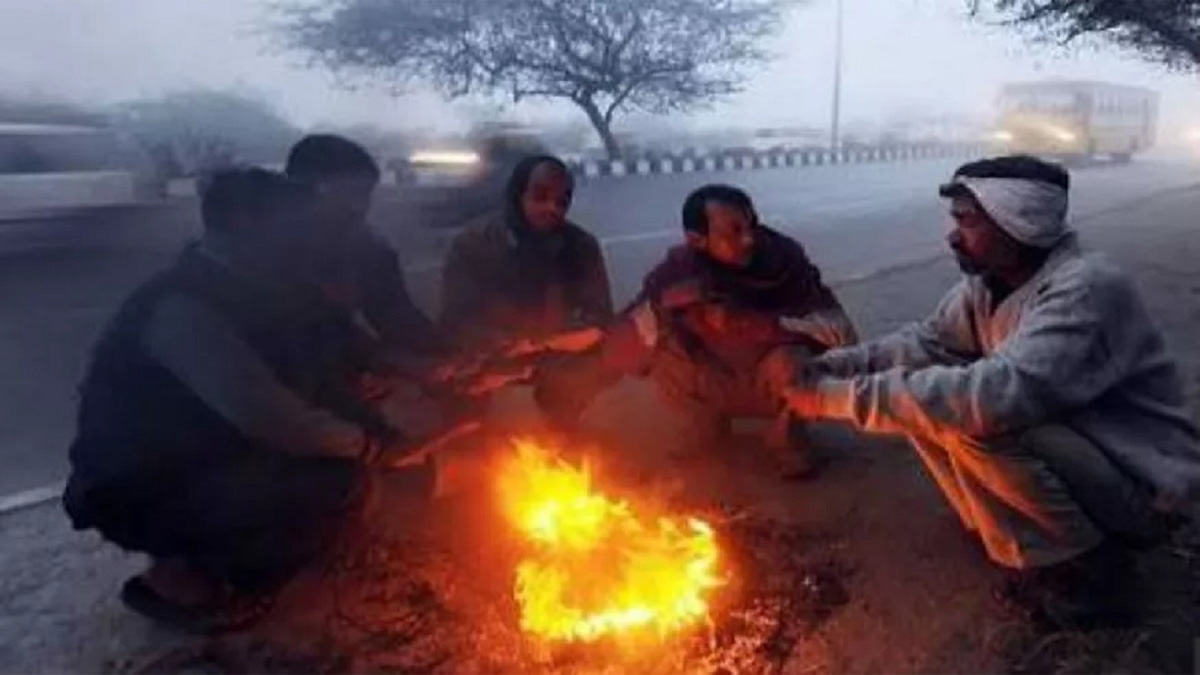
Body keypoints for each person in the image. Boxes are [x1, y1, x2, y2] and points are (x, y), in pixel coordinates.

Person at [760, 155, 1200, 629]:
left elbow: (991, 398)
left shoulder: (1087, 287)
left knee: (973, 417)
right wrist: (823, 369)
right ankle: (1003, 530)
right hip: (1088, 451)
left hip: (1147, 486)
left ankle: (1099, 570)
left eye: (967, 222)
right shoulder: (989, 284)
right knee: (931, 389)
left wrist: (828, 400)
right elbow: (927, 344)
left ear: (1020, 223)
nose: (953, 236)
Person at [62, 168, 473, 635]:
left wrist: (415, 378)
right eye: (295, 224)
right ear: (243, 223)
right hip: (144, 483)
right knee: (341, 483)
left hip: (216, 453)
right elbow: (267, 414)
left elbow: (340, 345)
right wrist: (372, 447)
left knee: (376, 476)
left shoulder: (272, 286)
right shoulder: (182, 307)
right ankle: (184, 577)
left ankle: (277, 548)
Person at [535, 184, 858, 478]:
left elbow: (841, 332)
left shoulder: (786, 263)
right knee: (659, 338)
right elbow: (625, 334)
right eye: (732, 231)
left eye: (751, 225)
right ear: (697, 240)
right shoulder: (679, 273)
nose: (749, 239)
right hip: (715, 379)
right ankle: (708, 425)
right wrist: (662, 306)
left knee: (793, 362)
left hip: (772, 384)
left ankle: (788, 438)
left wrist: (755, 324)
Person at [285, 134, 447, 362]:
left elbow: (396, 317)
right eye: (347, 195)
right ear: (305, 190)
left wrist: (453, 356)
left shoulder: (367, 250)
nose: (358, 208)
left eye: (365, 196)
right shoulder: (253, 249)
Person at [440, 154, 613, 350]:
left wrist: (565, 339)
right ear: (518, 194)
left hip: (564, 363)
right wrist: (513, 344)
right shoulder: (474, 245)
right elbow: (456, 324)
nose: (551, 208)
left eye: (562, 202)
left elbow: (601, 318)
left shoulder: (581, 246)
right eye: (540, 196)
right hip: (495, 366)